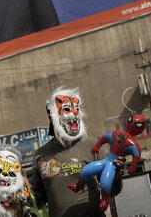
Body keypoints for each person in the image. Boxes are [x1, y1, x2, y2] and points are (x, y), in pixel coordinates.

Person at [30, 87, 124, 217]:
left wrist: (116, 176)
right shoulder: (41, 155)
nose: (74, 113)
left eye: (77, 109)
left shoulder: (92, 145)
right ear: (51, 116)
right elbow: (38, 201)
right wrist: (18, 191)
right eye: (67, 109)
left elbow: (113, 191)